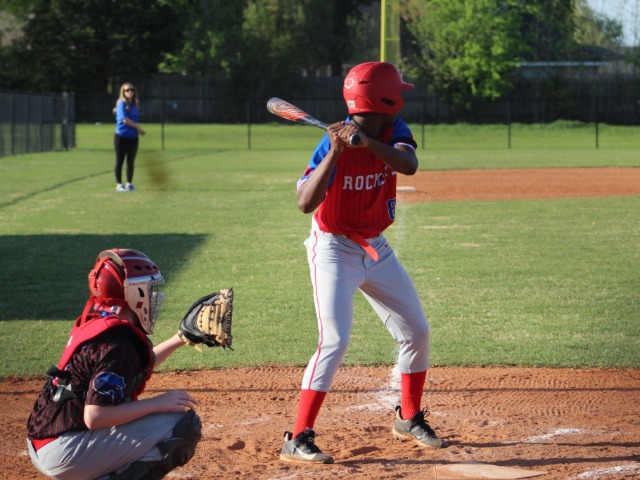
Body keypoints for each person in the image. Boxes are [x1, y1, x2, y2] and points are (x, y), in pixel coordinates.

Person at [280, 62, 448, 464]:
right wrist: (336, 151)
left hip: (376, 247)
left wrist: (367, 144)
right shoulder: (330, 143)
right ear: (383, 100)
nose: (402, 99)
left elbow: (408, 165)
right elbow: (304, 203)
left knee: (416, 331)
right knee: (335, 340)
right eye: (397, 92)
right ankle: (298, 437)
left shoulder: (394, 129)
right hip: (333, 249)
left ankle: (408, 417)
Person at [26, 248, 202, 480]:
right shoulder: (118, 345)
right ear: (133, 293)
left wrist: (180, 338)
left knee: (123, 401)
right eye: (148, 288)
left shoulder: (100, 325)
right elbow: (95, 417)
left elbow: (131, 371)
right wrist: (157, 403)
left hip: (45, 440)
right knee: (182, 425)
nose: (152, 295)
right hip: (66, 452)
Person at [113, 82, 145, 192]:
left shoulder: (134, 104)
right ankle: (119, 185)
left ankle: (129, 184)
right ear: (123, 92)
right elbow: (125, 120)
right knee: (120, 161)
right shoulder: (121, 103)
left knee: (130, 162)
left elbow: (134, 119)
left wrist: (136, 130)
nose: (130, 92)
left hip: (133, 137)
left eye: (132, 90)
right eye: (127, 90)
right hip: (121, 136)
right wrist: (138, 128)